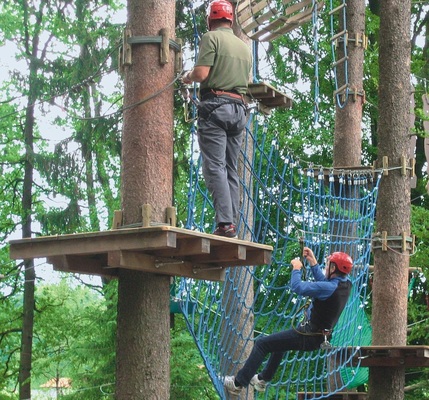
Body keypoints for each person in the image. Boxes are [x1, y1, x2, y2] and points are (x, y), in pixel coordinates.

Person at [223, 247, 353, 395]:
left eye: (328, 264)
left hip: (308, 335)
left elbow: (297, 287)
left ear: (334, 268)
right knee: (279, 344)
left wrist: (296, 269)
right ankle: (262, 379)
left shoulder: (329, 287)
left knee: (262, 344)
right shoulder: (345, 284)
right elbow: (324, 282)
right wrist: (313, 262)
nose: (326, 266)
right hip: (316, 336)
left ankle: (237, 384)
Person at [181, 0, 252, 238]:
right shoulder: (244, 47)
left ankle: (225, 224)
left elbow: (202, 74)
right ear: (230, 20)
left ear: (211, 18)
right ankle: (231, 223)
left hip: (215, 108)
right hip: (239, 110)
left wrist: (187, 77)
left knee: (215, 167)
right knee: (231, 169)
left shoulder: (211, 38)